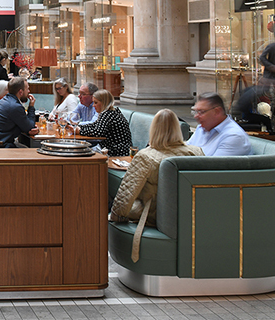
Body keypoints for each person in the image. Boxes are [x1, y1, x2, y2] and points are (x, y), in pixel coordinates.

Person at [109, 109, 204, 262]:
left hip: (154, 216)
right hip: (190, 216)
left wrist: (115, 218)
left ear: (153, 129)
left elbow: (125, 197)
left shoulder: (146, 156)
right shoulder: (196, 152)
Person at [188, 92, 252, 156]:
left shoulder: (233, 136)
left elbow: (213, 165)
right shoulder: (201, 129)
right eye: (195, 112)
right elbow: (186, 152)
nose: (196, 116)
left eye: (201, 112)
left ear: (217, 111)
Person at [0, 76, 39, 147]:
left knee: (24, 146)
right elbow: (30, 128)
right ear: (21, 92)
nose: (29, 91)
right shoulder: (15, 106)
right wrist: (31, 107)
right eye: (27, 89)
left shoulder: (5, 100)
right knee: (32, 152)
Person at [76, 90, 132, 157]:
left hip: (117, 152)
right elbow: (94, 125)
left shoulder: (108, 114)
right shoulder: (110, 112)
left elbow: (98, 132)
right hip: (110, 149)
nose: (93, 105)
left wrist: (80, 131)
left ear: (104, 103)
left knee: (81, 153)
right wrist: (78, 127)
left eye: (96, 103)